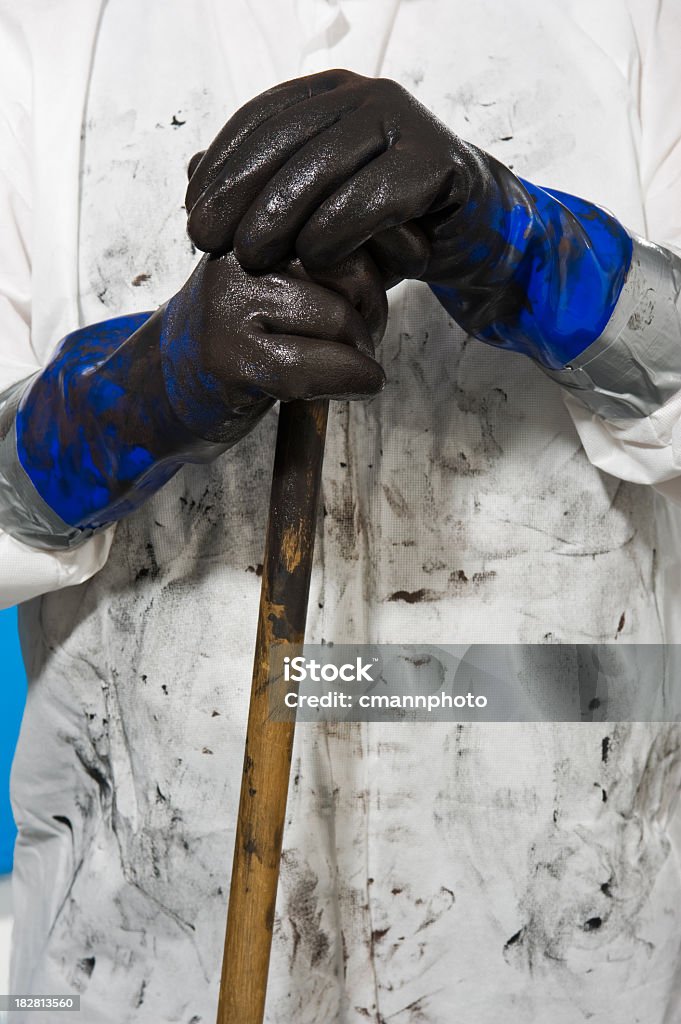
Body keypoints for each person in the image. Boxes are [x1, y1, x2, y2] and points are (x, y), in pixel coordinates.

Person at [1, 1, 681, 1021]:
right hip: (137, 959)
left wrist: (527, 249)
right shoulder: (37, 38)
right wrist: (134, 396)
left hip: (573, 946)